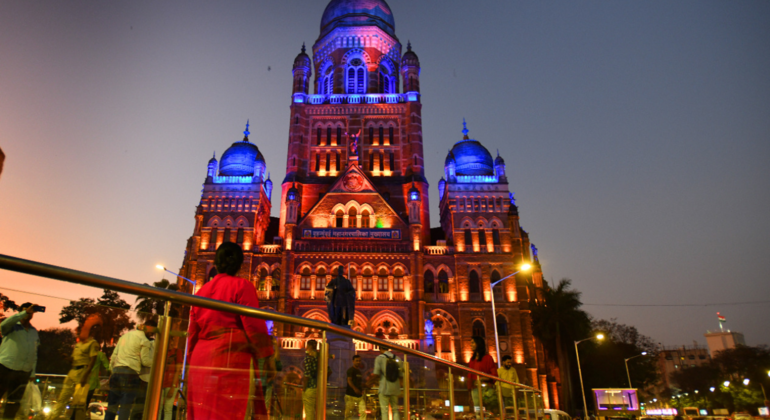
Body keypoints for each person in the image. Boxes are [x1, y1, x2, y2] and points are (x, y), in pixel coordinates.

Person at [187, 242, 273, 420]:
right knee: (228, 411)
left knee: (203, 412)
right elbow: (254, 326)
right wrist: (267, 356)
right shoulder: (242, 286)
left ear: (216, 264)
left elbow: (192, 332)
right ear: (239, 265)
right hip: (231, 358)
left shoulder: (201, 291)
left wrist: (189, 359)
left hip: (200, 360)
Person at [48, 313, 103, 420]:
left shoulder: (92, 343)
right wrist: (66, 357)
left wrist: (85, 376)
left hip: (82, 372)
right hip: (73, 371)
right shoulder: (79, 343)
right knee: (62, 398)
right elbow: (73, 359)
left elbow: (92, 361)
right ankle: (52, 417)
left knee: (79, 403)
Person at [104, 319, 156, 420]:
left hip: (116, 371)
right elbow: (145, 361)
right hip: (130, 374)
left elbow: (114, 355)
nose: (152, 335)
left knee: (112, 405)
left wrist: (112, 371)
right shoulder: (144, 341)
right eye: (152, 332)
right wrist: (157, 362)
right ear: (149, 329)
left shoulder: (124, 336)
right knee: (125, 407)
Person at [0, 303, 40, 420]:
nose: (28, 313)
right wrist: (23, 313)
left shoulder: (34, 332)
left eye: (30, 311)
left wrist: (32, 373)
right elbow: (3, 325)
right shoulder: (12, 327)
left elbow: (34, 353)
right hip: (5, 368)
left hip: (23, 372)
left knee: (14, 403)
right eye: (25, 311)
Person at [467, 336, 495, 419]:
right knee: (478, 412)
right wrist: (469, 390)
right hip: (475, 389)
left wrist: (483, 379)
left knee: (488, 411)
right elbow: (470, 375)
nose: (470, 344)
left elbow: (494, 375)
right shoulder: (472, 360)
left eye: (472, 342)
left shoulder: (488, 358)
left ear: (478, 344)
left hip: (486, 389)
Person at [373, 346, 403, 420]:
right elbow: (401, 375)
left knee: (384, 411)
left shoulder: (379, 358)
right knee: (395, 409)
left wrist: (368, 383)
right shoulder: (398, 359)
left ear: (380, 349)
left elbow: (376, 374)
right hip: (395, 388)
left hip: (384, 388)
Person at [159, 338, 184, 420]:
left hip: (171, 383)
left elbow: (177, 370)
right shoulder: (162, 351)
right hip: (161, 382)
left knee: (168, 408)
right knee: (158, 408)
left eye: (172, 344)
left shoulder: (177, 352)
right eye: (169, 344)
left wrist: (173, 387)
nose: (170, 346)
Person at [344, 354, 366, 420]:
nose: (358, 362)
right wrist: (355, 389)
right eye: (357, 361)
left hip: (359, 395)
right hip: (351, 395)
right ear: (353, 361)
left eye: (359, 361)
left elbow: (357, 382)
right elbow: (349, 380)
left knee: (363, 412)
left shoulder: (359, 371)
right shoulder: (351, 370)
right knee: (349, 414)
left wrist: (365, 385)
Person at [302, 339, 320, 420]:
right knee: (316, 411)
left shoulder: (308, 358)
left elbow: (307, 375)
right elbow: (329, 371)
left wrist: (304, 388)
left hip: (310, 387)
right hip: (318, 388)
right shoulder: (319, 358)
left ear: (309, 346)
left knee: (309, 412)